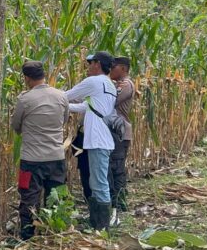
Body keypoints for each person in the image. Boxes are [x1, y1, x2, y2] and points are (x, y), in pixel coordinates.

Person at [10, 61, 69, 240]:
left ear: (27, 78)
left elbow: (16, 125)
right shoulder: (61, 96)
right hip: (56, 157)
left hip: (31, 161)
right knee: (56, 197)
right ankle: (54, 234)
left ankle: (27, 236)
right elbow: (64, 120)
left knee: (29, 198)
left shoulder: (25, 99)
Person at [66, 51, 117, 231]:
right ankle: (97, 222)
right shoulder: (108, 84)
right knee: (97, 182)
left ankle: (102, 227)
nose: (88, 67)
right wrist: (63, 106)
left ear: (97, 64)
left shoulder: (94, 81)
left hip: (97, 139)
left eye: (91, 63)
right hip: (102, 139)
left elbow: (67, 96)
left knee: (99, 183)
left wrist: (47, 96)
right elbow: (85, 107)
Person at [108, 56, 134, 226]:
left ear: (123, 69)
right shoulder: (117, 84)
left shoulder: (126, 85)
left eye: (114, 67)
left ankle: (119, 202)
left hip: (120, 132)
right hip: (114, 132)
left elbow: (110, 102)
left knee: (117, 168)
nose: (111, 70)